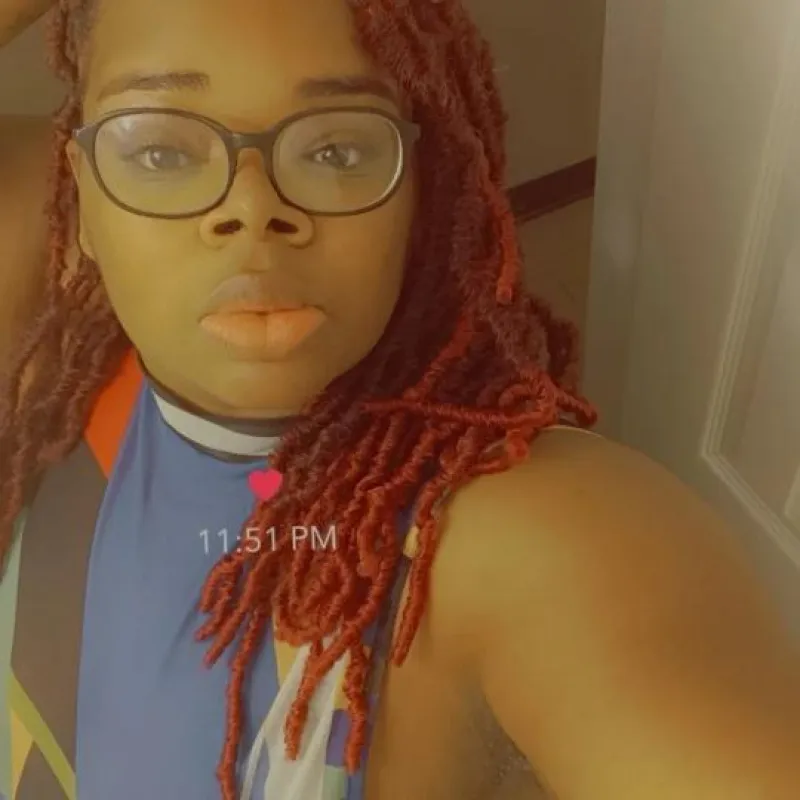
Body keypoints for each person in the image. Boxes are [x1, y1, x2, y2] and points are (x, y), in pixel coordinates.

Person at [0, 0, 798, 798]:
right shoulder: (54, 328)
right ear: (82, 199)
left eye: (336, 148)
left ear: (421, 191)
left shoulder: (518, 538)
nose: (250, 208)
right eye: (163, 152)